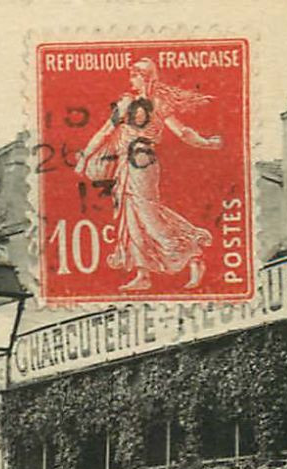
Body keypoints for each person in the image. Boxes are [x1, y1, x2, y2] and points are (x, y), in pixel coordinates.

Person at [74, 57, 223, 293]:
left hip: (142, 160)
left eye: (134, 74)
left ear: (144, 77)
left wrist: (207, 143)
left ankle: (193, 254)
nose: (130, 78)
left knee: (148, 212)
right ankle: (143, 273)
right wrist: (85, 157)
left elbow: (182, 131)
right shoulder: (125, 104)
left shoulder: (158, 103)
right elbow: (105, 131)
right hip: (126, 162)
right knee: (131, 214)